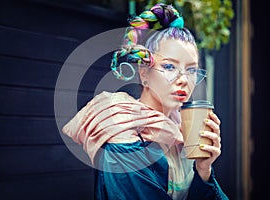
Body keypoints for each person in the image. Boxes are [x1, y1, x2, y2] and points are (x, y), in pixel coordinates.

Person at [62, 3, 228, 200]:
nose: (184, 79)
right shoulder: (123, 137)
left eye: (191, 70)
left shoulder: (180, 132)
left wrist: (203, 170)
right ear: (144, 74)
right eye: (169, 66)